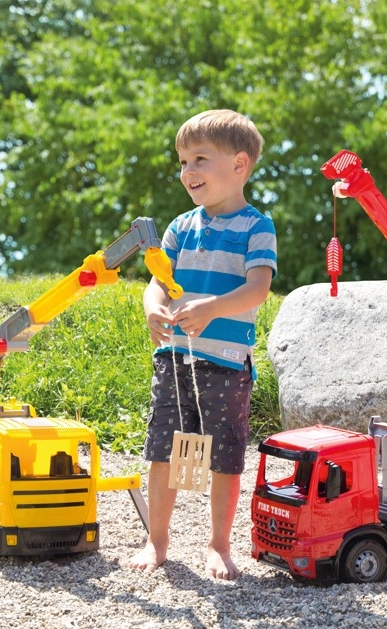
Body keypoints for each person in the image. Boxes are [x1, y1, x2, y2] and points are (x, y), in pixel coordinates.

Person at [125, 109, 276, 580]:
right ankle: (157, 540)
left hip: (226, 362)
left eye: (199, 159)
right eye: (183, 162)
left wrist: (212, 308)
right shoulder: (179, 227)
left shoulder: (256, 227)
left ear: (239, 164)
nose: (187, 171)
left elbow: (258, 288)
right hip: (174, 358)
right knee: (164, 450)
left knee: (224, 456)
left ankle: (218, 545)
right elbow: (158, 283)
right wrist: (152, 307)